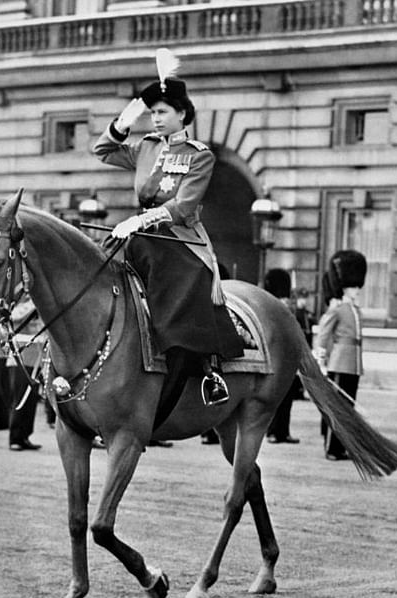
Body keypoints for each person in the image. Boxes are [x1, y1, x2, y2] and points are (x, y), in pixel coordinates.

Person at [91, 51, 245, 407]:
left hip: (178, 242)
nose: (155, 119)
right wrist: (133, 110)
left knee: (181, 302)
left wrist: (141, 220)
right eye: (153, 112)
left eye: (162, 112)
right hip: (140, 237)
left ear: (182, 114)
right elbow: (102, 149)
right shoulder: (145, 148)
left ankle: (208, 369)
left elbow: (183, 206)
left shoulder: (198, 154)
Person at [313, 250, 367, 461]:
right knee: (338, 408)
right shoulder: (337, 310)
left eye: (357, 286)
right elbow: (324, 335)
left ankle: (342, 445)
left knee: (348, 408)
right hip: (339, 362)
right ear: (344, 287)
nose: (357, 290)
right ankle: (332, 448)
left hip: (353, 363)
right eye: (354, 286)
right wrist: (321, 360)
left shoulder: (355, 310)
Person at [263, 268, 302, 444]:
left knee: (287, 400)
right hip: (275, 360)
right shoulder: (271, 308)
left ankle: (283, 431)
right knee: (274, 400)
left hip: (288, 360)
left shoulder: (286, 308)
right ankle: (271, 431)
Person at [5, 296, 44, 451]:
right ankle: (15, 437)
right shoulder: (19, 301)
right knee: (20, 397)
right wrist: (33, 303)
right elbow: (14, 316)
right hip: (20, 353)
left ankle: (25, 435)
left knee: (31, 399)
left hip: (36, 354)